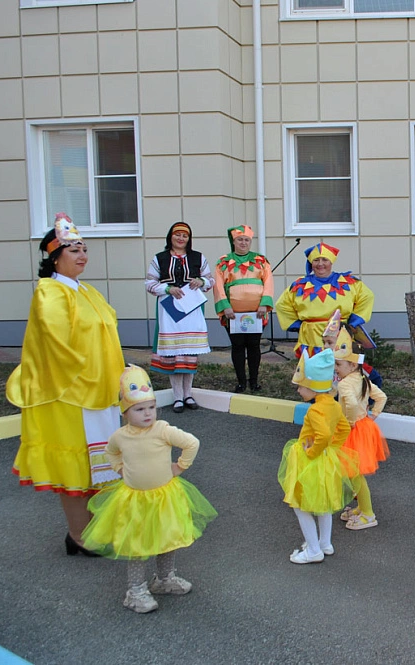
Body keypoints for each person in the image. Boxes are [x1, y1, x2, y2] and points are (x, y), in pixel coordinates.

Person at [7, 213, 126, 557]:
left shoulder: (87, 291)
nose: (82, 255)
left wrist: (119, 373)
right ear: (55, 257)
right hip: (73, 395)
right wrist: (91, 375)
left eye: (84, 248)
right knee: (78, 466)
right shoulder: (50, 292)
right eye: (74, 250)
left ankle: (96, 527)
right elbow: (57, 344)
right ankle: (79, 535)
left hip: (101, 393)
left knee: (99, 464)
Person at [81, 365, 217, 613]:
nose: (147, 414)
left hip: (164, 497)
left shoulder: (162, 430)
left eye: (151, 407)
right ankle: (135, 591)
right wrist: (120, 469)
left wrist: (180, 466)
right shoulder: (120, 436)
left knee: (168, 539)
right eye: (139, 409)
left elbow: (192, 443)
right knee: (137, 545)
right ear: (125, 413)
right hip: (135, 500)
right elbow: (110, 452)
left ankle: (164, 579)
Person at [278, 348, 355, 564]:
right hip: (326, 459)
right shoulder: (333, 405)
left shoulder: (314, 410)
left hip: (309, 460)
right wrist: (331, 448)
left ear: (313, 387)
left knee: (300, 505)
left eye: (301, 386)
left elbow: (323, 435)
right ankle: (324, 543)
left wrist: (312, 452)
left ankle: (313, 550)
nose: (298, 390)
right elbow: (344, 429)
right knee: (323, 504)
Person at [146, 222, 214, 413]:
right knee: (174, 353)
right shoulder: (159, 258)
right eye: (177, 234)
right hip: (169, 308)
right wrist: (167, 288)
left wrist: (201, 281)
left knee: (189, 352)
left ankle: (188, 394)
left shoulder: (198, 257)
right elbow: (149, 283)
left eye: (185, 235)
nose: (181, 238)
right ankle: (177, 397)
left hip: (192, 308)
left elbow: (211, 281)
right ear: (171, 236)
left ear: (189, 239)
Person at [275, 242, 375, 359]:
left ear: (331, 262)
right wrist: (296, 325)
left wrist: (354, 321)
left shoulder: (350, 283)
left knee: (340, 364)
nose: (320, 264)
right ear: (311, 263)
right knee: (313, 366)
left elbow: (367, 297)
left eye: (325, 260)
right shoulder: (299, 285)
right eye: (316, 260)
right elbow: (282, 304)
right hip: (310, 336)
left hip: (340, 332)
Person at [333, 331, 389, 531]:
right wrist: (373, 415)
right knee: (353, 473)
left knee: (354, 474)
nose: (335, 368)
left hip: (352, 431)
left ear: (352, 365)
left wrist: (349, 421)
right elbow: (381, 397)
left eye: (339, 364)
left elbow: (350, 403)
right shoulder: (362, 378)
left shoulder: (345, 384)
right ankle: (362, 507)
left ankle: (368, 514)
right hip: (364, 427)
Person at [213, 225, 274, 393]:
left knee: (254, 345)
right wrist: (225, 307)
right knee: (238, 346)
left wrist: (264, 304)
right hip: (232, 314)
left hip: (257, 313)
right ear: (233, 241)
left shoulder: (261, 260)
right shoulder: (224, 262)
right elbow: (218, 286)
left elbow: (268, 282)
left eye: (246, 240)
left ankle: (254, 381)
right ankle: (241, 382)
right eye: (240, 239)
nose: (243, 243)